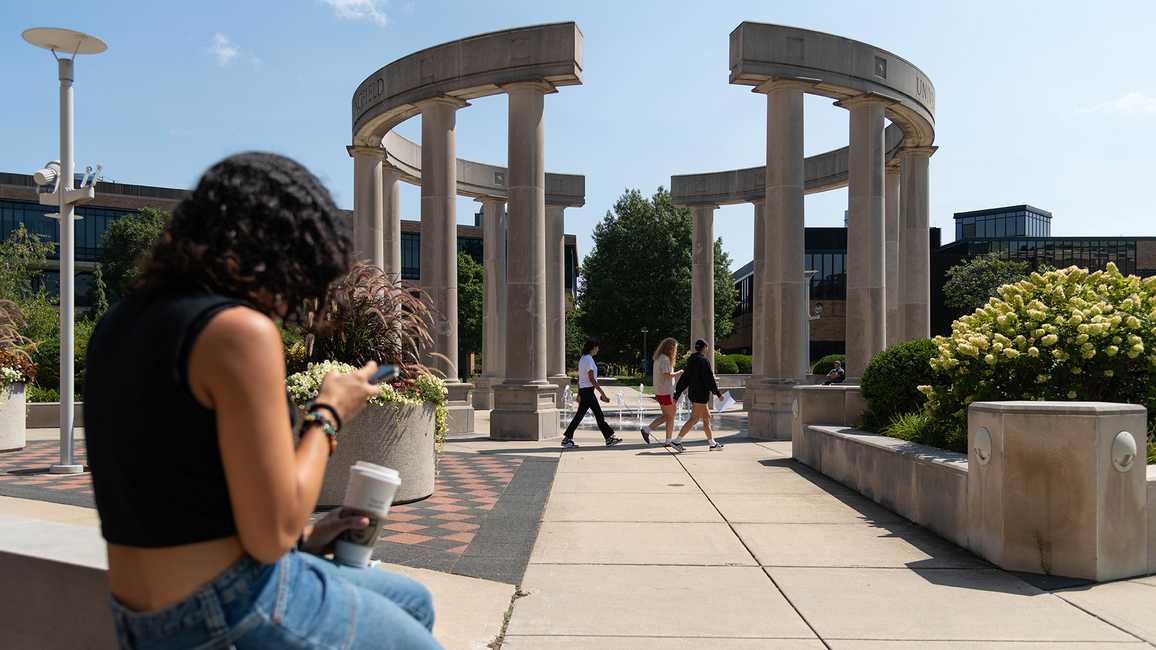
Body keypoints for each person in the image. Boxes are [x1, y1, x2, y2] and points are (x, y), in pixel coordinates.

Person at [84, 153, 443, 649]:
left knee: (413, 601)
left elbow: (177, 489)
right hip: (224, 606)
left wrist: (306, 541)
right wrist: (329, 411)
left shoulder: (117, 322)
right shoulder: (237, 331)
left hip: (141, 613)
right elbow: (272, 532)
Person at [561, 337, 622, 448]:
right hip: (588, 392)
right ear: (593, 347)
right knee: (580, 416)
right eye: (597, 347)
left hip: (586, 391)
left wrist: (579, 393)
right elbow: (591, 379)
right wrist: (602, 393)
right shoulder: (588, 359)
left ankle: (608, 439)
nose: (598, 350)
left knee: (599, 415)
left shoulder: (583, 358)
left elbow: (580, 378)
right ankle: (566, 439)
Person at [670, 339, 724, 452]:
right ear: (705, 347)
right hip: (700, 394)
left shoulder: (691, 361)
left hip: (695, 393)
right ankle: (676, 441)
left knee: (707, 418)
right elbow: (709, 379)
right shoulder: (703, 361)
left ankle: (712, 444)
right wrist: (718, 393)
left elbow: (684, 379)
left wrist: (677, 393)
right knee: (693, 419)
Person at [639, 338, 683, 445]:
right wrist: (679, 373)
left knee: (666, 416)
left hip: (659, 392)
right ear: (671, 348)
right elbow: (666, 375)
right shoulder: (666, 359)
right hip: (667, 391)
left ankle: (647, 430)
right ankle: (668, 440)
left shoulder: (658, 358)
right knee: (671, 416)